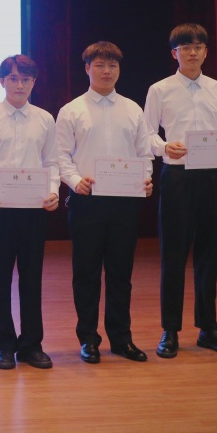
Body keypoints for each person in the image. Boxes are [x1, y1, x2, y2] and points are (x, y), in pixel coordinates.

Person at [143, 23, 217, 359]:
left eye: (198, 46)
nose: (192, 52)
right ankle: (170, 330)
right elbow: (146, 134)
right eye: (185, 47)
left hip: (211, 177)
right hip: (177, 177)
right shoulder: (159, 89)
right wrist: (164, 147)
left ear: (206, 52)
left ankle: (208, 328)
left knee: (208, 254)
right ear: (174, 53)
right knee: (173, 254)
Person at [55, 42, 154, 365]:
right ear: (87, 68)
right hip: (87, 201)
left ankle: (121, 338)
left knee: (120, 274)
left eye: (112, 65)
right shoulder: (72, 110)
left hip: (125, 201)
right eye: (99, 65)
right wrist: (75, 181)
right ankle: (88, 339)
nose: (107, 71)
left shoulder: (133, 109)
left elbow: (144, 153)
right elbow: (61, 156)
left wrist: (146, 179)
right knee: (86, 274)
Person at [0, 54, 60, 371]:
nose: (19, 85)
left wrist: (53, 191)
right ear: (2, 81)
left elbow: (52, 162)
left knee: (32, 279)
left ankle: (32, 345)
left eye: (26, 79)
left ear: (34, 82)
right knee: (0, 279)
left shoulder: (45, 119)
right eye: (13, 79)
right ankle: (4, 346)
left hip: (34, 209)